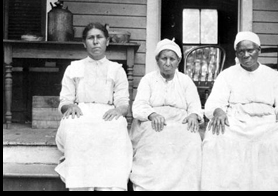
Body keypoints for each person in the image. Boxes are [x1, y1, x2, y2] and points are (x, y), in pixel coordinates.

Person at [200, 31, 278, 191]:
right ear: (237, 54)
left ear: (259, 50)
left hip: (266, 120)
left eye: (250, 50)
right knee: (216, 134)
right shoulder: (227, 75)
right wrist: (218, 111)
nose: (246, 55)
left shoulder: (272, 75)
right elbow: (216, 100)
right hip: (237, 120)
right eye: (241, 51)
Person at [55, 22, 133, 191]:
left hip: (107, 112)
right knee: (73, 124)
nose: (96, 42)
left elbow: (122, 101)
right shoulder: (73, 68)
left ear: (107, 41)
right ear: (84, 43)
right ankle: (81, 184)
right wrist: (69, 107)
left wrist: (119, 110)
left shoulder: (117, 69)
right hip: (81, 111)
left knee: (118, 124)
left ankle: (109, 184)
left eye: (100, 37)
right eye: (91, 38)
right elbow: (65, 99)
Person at [129, 39, 203, 191]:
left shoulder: (185, 81)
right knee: (154, 140)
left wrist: (193, 115)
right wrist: (152, 114)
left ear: (178, 61)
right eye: (164, 58)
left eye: (172, 59)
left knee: (191, 139)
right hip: (153, 121)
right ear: (157, 60)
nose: (168, 63)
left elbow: (195, 105)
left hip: (180, 121)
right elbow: (139, 105)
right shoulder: (148, 80)